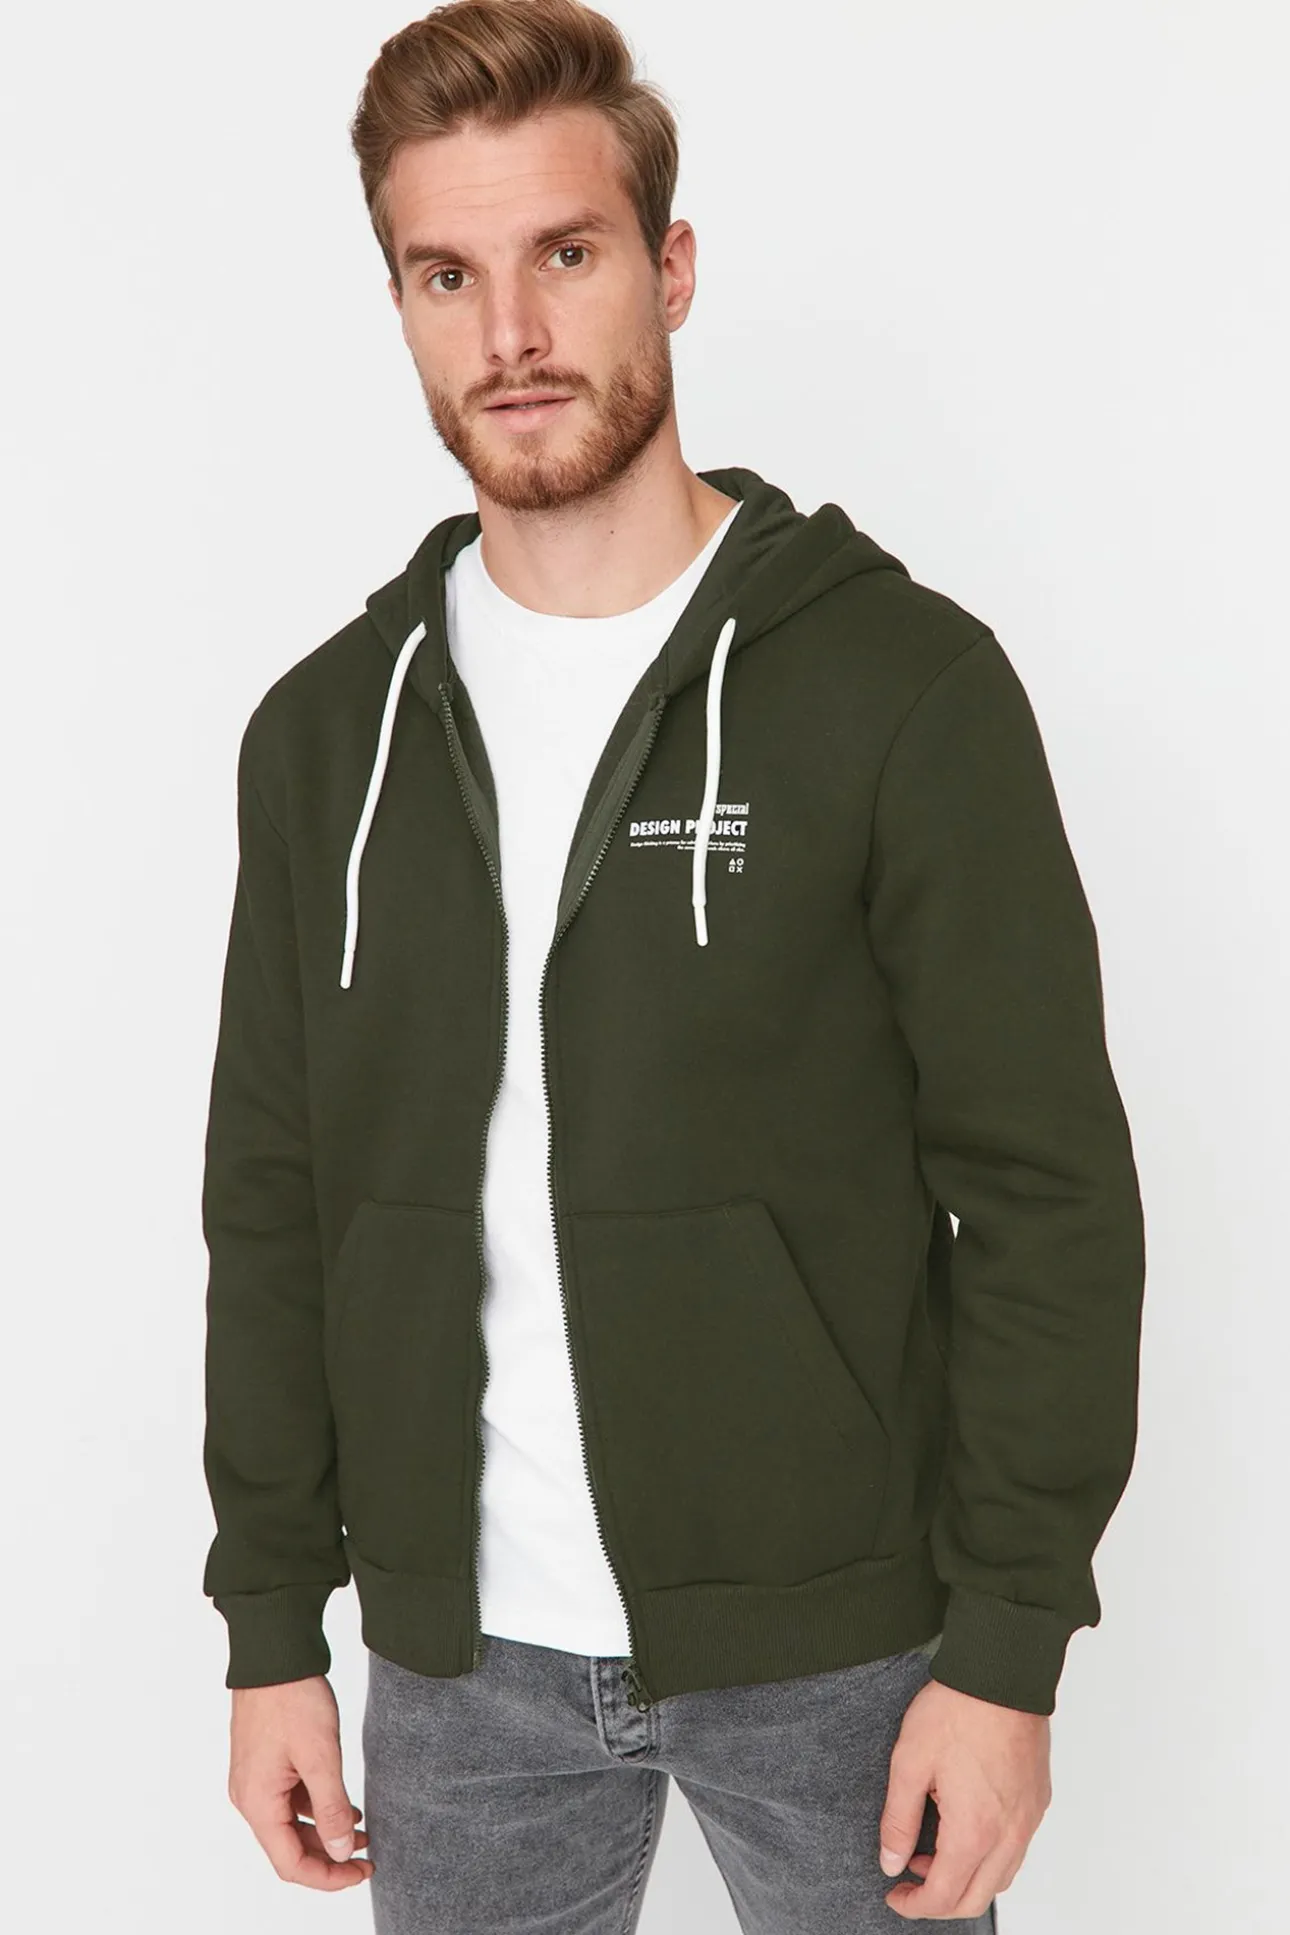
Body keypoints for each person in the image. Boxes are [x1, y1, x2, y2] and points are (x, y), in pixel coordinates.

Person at [199, 2, 1147, 1928]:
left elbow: (1045, 1193)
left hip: (846, 1655)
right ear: (399, 305)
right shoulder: (325, 735)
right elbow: (275, 1201)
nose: (510, 332)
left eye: (565, 253)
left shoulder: (899, 689)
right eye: (446, 275)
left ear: (671, 266)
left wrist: (1005, 1646)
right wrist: (273, 1624)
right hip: (460, 1672)